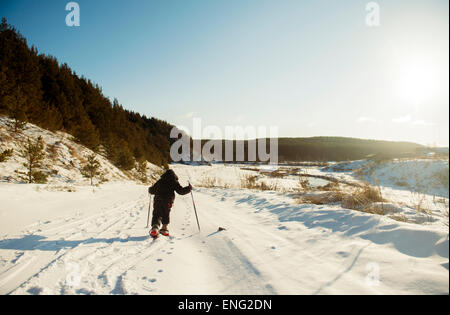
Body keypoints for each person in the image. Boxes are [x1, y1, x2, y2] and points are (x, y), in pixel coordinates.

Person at [148, 169, 192, 237]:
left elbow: (152, 191)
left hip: (158, 200)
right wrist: (189, 188)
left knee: (156, 213)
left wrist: (150, 188)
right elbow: (180, 191)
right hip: (168, 201)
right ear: (174, 175)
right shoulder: (174, 181)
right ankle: (164, 229)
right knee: (166, 213)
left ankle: (155, 228)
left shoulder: (160, 181)